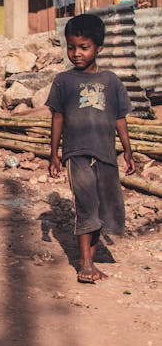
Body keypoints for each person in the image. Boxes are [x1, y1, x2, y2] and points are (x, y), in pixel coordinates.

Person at [46, 14, 136, 284]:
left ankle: (91, 262)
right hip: (77, 154)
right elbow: (57, 118)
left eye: (83, 47)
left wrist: (128, 151)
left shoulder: (112, 81)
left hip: (106, 155)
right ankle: (84, 263)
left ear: (99, 48)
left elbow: (120, 118)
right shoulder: (64, 81)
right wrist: (54, 154)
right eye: (71, 47)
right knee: (86, 205)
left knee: (103, 209)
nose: (76, 53)